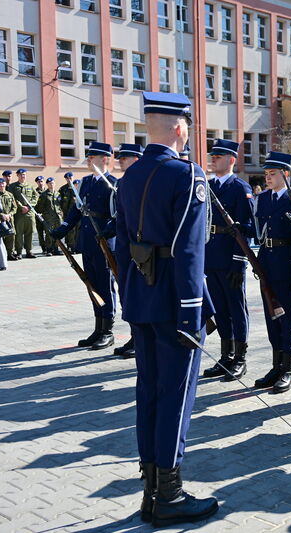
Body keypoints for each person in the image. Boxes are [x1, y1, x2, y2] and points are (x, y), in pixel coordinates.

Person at [114, 91, 218, 526]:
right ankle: (169, 495)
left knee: (149, 393)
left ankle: (150, 491)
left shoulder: (130, 176)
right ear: (179, 128)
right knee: (175, 396)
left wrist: (130, 298)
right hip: (176, 303)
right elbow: (190, 251)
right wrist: (192, 313)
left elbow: (121, 248)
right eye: (188, 126)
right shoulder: (187, 174)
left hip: (142, 300)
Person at [51, 142, 118, 351]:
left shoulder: (112, 183)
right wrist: (63, 229)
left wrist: (107, 231)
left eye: (92, 157)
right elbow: (76, 210)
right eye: (88, 157)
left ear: (104, 159)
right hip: (87, 241)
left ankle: (107, 331)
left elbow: (116, 214)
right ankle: (98, 328)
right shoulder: (86, 182)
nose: (88, 160)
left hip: (104, 243)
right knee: (92, 284)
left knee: (105, 286)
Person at [251, 152, 291, 394]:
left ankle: (287, 368)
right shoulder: (262, 199)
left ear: (285, 174)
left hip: (285, 266)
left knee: (287, 318)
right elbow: (258, 232)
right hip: (267, 264)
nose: (268, 178)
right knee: (271, 317)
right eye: (266, 174)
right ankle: (276, 366)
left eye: (272, 174)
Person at [201, 139, 255, 380]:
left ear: (232, 160)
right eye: (213, 156)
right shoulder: (208, 186)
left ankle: (240, 358)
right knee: (220, 309)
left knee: (236, 309)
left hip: (231, 258)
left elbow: (247, 229)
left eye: (218, 156)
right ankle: (226, 355)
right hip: (211, 256)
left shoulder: (240, 188)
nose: (213, 159)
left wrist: (238, 261)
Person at [113, 143, 145, 359]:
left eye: (125, 158)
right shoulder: (122, 183)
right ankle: (135, 336)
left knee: (140, 296)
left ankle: (141, 340)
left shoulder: (146, 182)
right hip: (125, 250)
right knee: (127, 296)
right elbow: (121, 217)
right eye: (120, 157)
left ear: (136, 159)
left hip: (142, 251)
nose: (120, 161)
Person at [8, 168, 39, 259]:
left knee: (30, 232)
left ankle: (29, 251)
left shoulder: (30, 186)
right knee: (19, 233)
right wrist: (21, 207)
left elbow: (35, 197)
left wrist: (29, 206)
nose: (23, 176)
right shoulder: (13, 186)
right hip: (19, 213)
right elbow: (12, 198)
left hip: (30, 213)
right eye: (21, 174)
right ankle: (19, 252)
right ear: (17, 175)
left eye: (24, 174)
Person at [36, 178, 64, 256]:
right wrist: (44, 214)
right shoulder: (44, 195)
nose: (51, 185)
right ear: (47, 184)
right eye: (50, 183)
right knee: (49, 233)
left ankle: (56, 248)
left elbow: (61, 205)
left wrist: (61, 213)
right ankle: (49, 249)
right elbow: (40, 207)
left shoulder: (58, 194)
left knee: (57, 232)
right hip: (48, 217)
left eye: (52, 183)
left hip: (57, 217)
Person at [0, 177, 17, 260]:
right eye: (0, 184)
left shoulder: (10, 194)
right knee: (1, 237)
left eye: (3, 183)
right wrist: (1, 215)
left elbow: (14, 207)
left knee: (11, 236)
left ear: (5, 184)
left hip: (9, 219)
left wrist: (10, 214)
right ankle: (1, 255)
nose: (1, 185)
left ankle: (10, 254)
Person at [58, 172, 79, 253]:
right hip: (67, 214)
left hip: (77, 213)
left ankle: (77, 246)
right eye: (67, 178)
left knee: (77, 230)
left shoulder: (77, 187)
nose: (69, 179)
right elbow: (59, 202)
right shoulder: (63, 189)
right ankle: (70, 246)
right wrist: (61, 211)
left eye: (70, 177)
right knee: (69, 230)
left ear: (73, 177)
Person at [34, 176, 48, 254]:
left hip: (47, 215)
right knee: (40, 232)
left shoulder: (47, 191)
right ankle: (43, 248)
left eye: (42, 181)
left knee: (47, 232)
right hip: (38, 215)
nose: (40, 183)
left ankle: (49, 246)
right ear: (37, 183)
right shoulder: (35, 192)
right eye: (39, 182)